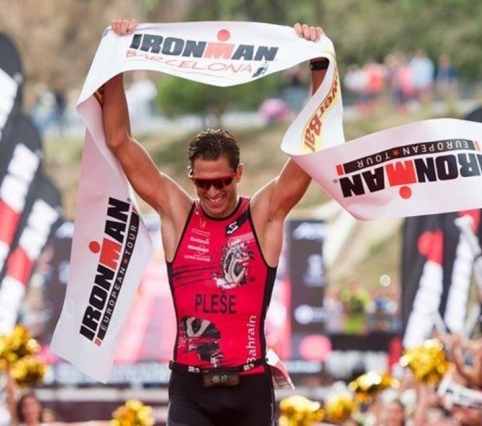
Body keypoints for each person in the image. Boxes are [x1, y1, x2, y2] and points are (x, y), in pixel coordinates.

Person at [105, 19, 328, 426]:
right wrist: (116, 58)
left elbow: (310, 152)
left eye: (222, 181)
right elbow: (119, 141)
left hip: (249, 387)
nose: (212, 191)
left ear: (238, 174)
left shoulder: (263, 215)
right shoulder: (178, 214)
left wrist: (319, 66)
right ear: (191, 178)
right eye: (202, 183)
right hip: (191, 388)